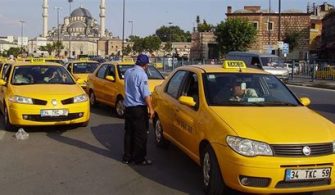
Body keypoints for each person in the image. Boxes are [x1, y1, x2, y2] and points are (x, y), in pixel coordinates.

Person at [122, 54, 154, 166]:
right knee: (140, 134)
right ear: (145, 65)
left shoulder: (128, 72)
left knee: (129, 133)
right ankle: (139, 158)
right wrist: (151, 108)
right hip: (138, 108)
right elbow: (145, 94)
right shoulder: (142, 75)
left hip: (128, 107)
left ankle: (127, 157)